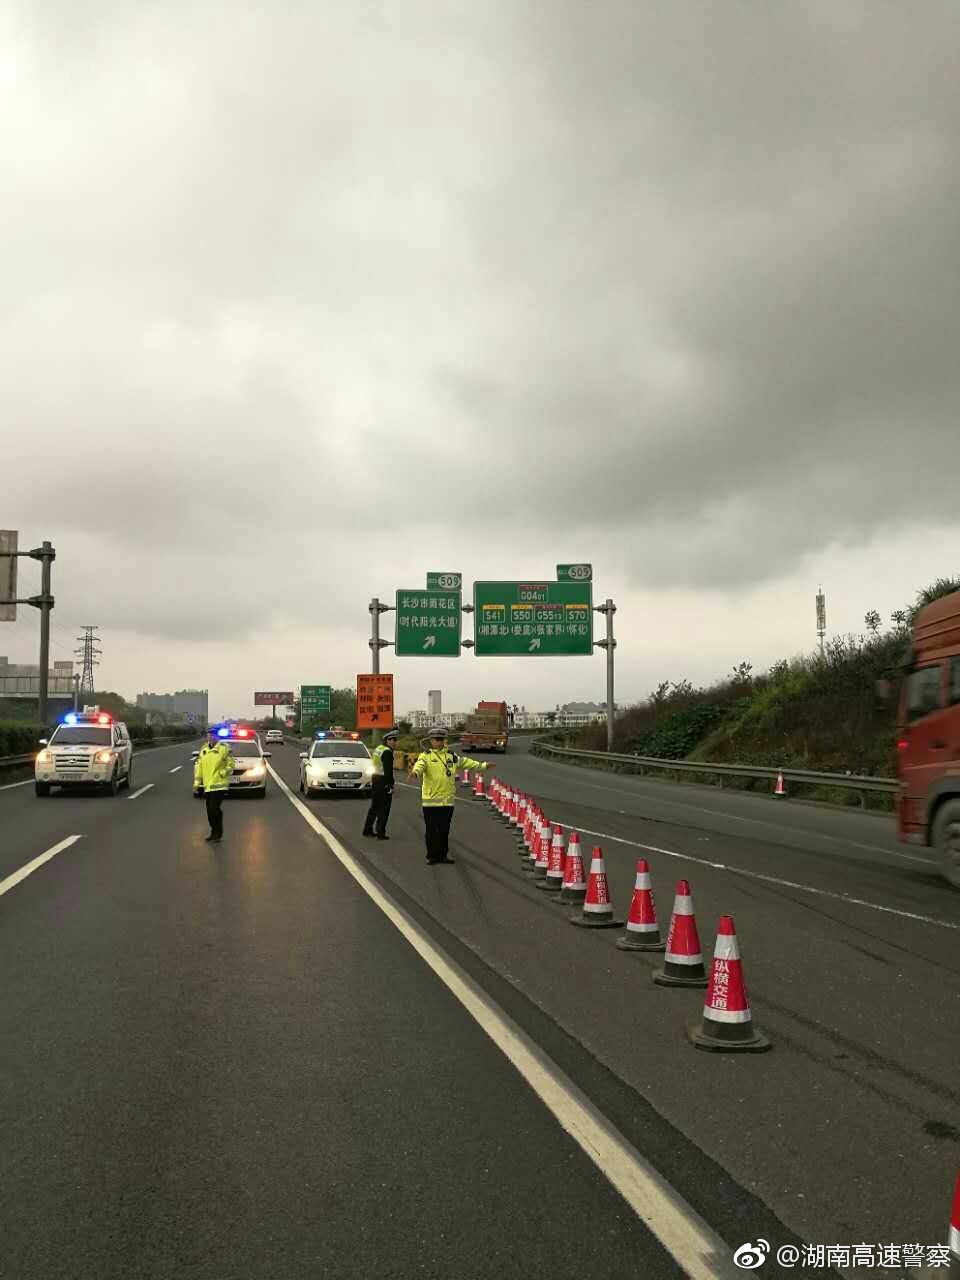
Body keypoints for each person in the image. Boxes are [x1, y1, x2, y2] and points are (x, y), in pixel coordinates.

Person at [409, 726, 493, 865]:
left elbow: (466, 762)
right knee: (431, 831)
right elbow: (419, 766)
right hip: (430, 802)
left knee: (444, 831)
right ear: (431, 740)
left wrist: (483, 766)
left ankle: (443, 855)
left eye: (441, 739)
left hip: (447, 802)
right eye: (436, 739)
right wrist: (415, 773)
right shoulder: (426, 756)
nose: (438, 742)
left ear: (444, 740)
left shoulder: (451, 756)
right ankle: (431, 856)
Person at [194, 732, 236, 843]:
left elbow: (231, 765)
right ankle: (214, 832)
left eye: (213, 736)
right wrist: (197, 783)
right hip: (208, 786)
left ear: (217, 737)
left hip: (219, 785)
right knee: (209, 811)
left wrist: (222, 773)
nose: (211, 738)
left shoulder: (224, 748)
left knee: (213, 808)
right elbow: (200, 767)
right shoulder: (203, 750)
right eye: (209, 736)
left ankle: (218, 832)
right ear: (206, 737)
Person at [363, 728, 398, 840]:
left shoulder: (379, 748)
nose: (394, 742)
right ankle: (380, 833)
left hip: (375, 780)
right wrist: (390, 785)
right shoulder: (387, 752)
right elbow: (388, 771)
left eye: (395, 740)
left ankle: (367, 830)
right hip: (383, 781)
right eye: (392, 740)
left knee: (374, 807)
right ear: (387, 741)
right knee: (384, 809)